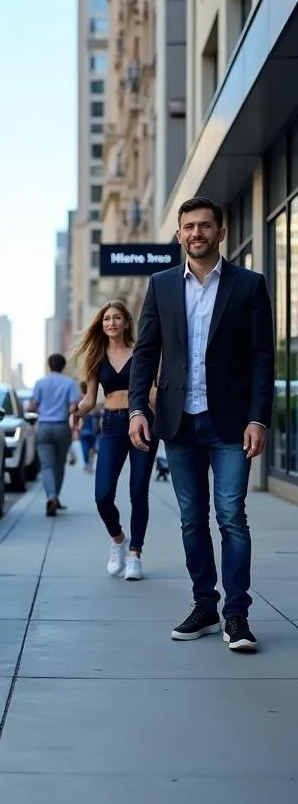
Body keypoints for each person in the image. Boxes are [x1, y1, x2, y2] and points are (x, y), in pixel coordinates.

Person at [129, 196, 274, 652]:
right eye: (189, 226)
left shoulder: (249, 285)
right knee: (192, 519)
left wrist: (258, 417)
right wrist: (137, 408)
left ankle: (237, 616)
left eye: (205, 225)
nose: (197, 233)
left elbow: (262, 358)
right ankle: (204, 606)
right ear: (178, 234)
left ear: (220, 232)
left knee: (231, 516)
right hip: (178, 422)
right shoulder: (161, 285)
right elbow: (146, 352)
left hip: (230, 421)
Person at [71, 300, 157, 581]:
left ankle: (135, 554)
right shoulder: (96, 357)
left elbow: (153, 391)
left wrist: (159, 402)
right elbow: (90, 398)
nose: (111, 322)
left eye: (117, 317)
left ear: (126, 323)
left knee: (138, 491)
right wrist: (77, 411)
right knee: (103, 495)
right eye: (107, 318)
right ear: (102, 324)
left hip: (143, 423)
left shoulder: (141, 353)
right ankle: (118, 538)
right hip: (111, 426)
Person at [29, 353, 80, 516]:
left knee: (46, 465)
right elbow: (74, 406)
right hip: (61, 426)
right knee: (59, 464)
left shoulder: (40, 383)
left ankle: (51, 496)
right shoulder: (69, 383)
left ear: (48, 365)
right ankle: (55, 497)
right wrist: (75, 426)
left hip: (44, 426)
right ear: (63, 366)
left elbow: (33, 406)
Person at [76, 379, 99, 473]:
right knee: (92, 447)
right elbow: (97, 412)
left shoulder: (80, 401)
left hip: (84, 428)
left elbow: (77, 415)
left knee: (85, 447)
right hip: (93, 427)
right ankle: (89, 464)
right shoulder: (94, 399)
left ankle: (87, 464)